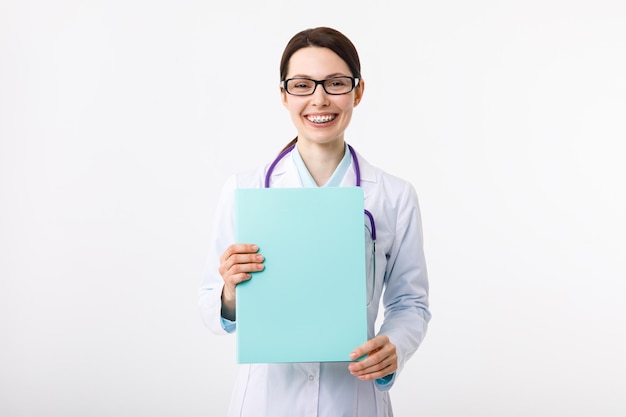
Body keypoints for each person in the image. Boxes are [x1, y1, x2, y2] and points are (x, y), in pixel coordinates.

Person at [198, 26, 431, 417]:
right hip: (267, 400)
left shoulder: (394, 195)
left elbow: (411, 302)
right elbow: (210, 306)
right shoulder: (245, 189)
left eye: (336, 83)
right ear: (284, 95)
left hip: (353, 398)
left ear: (358, 91)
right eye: (303, 85)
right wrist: (230, 295)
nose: (319, 99)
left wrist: (394, 345)